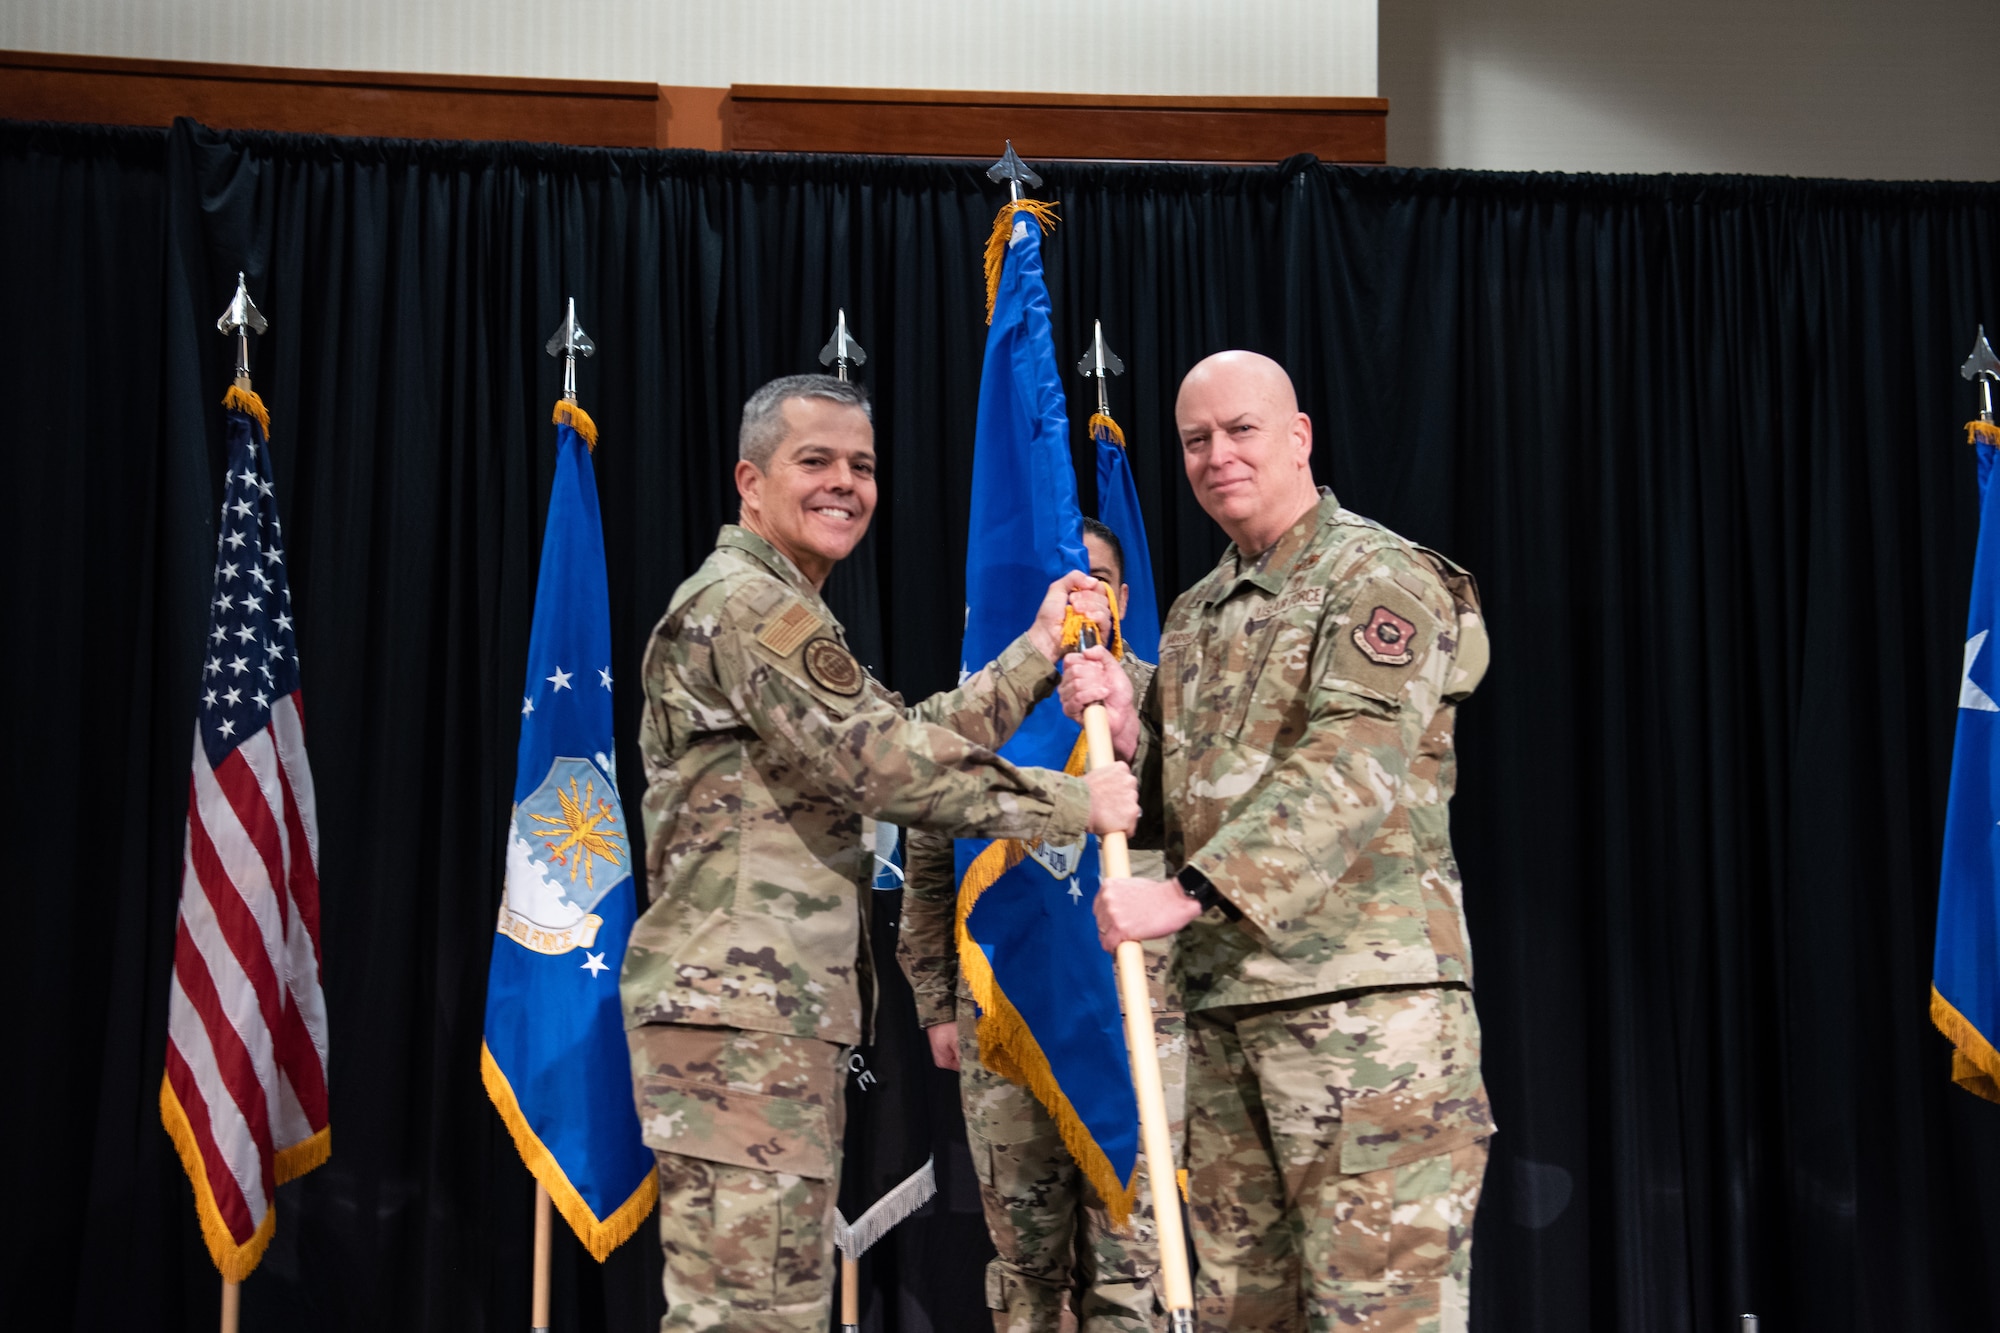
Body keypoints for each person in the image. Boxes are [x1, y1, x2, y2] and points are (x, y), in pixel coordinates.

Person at [621, 374, 1139, 1333]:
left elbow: (900, 735)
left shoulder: (781, 607)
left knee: (767, 1304)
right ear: (750, 480)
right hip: (744, 1012)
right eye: (814, 461)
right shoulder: (750, 606)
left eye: (860, 465)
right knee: (750, 1314)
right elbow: (886, 768)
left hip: (764, 1009)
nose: (845, 483)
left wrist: (1035, 650)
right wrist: (1075, 801)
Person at [1060, 351, 1493, 1333]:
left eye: (1240, 429)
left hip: (1364, 1022)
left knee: (1378, 1318)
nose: (1216, 455)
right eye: (1195, 440)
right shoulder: (1195, 614)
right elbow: (1183, 799)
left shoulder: (1382, 575)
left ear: (1298, 437)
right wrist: (1129, 729)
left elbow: (1350, 769)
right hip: (1227, 1018)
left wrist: (1182, 895)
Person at [897, 517, 1186, 1333]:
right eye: (1066, 581)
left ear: (1123, 597)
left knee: (1132, 1260)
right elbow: (931, 855)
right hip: (1006, 1013)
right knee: (1025, 1263)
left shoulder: (1165, 696)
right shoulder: (989, 705)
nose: (1083, 595)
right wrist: (935, 1000)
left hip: (1137, 1017)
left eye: (1100, 579)